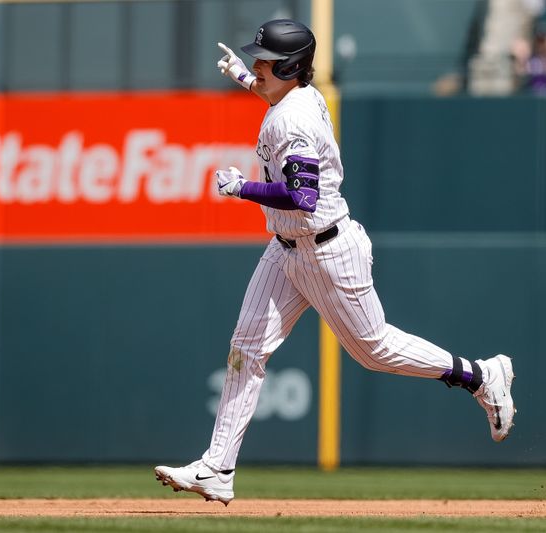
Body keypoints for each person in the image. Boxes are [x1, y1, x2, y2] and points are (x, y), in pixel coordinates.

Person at [153, 19, 516, 506]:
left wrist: (243, 187)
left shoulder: (293, 119)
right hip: (286, 250)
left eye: (263, 61)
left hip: (326, 250)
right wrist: (244, 76)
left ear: (289, 66)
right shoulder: (296, 97)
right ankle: (217, 468)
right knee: (246, 349)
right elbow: (280, 105)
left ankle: (479, 376)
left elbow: (303, 196)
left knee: (375, 351)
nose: (258, 65)